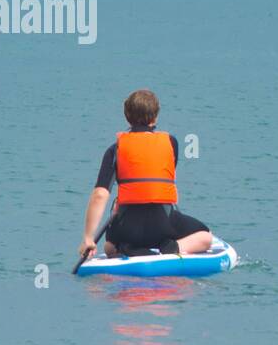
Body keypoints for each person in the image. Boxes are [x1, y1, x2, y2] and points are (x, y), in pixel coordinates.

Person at [77, 89, 214, 262]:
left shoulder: (115, 149)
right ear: (155, 116)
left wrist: (88, 239)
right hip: (163, 225)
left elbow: (100, 195)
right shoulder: (171, 143)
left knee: (109, 245)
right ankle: (173, 247)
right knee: (206, 237)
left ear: (127, 116)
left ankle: (126, 248)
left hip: (128, 228)